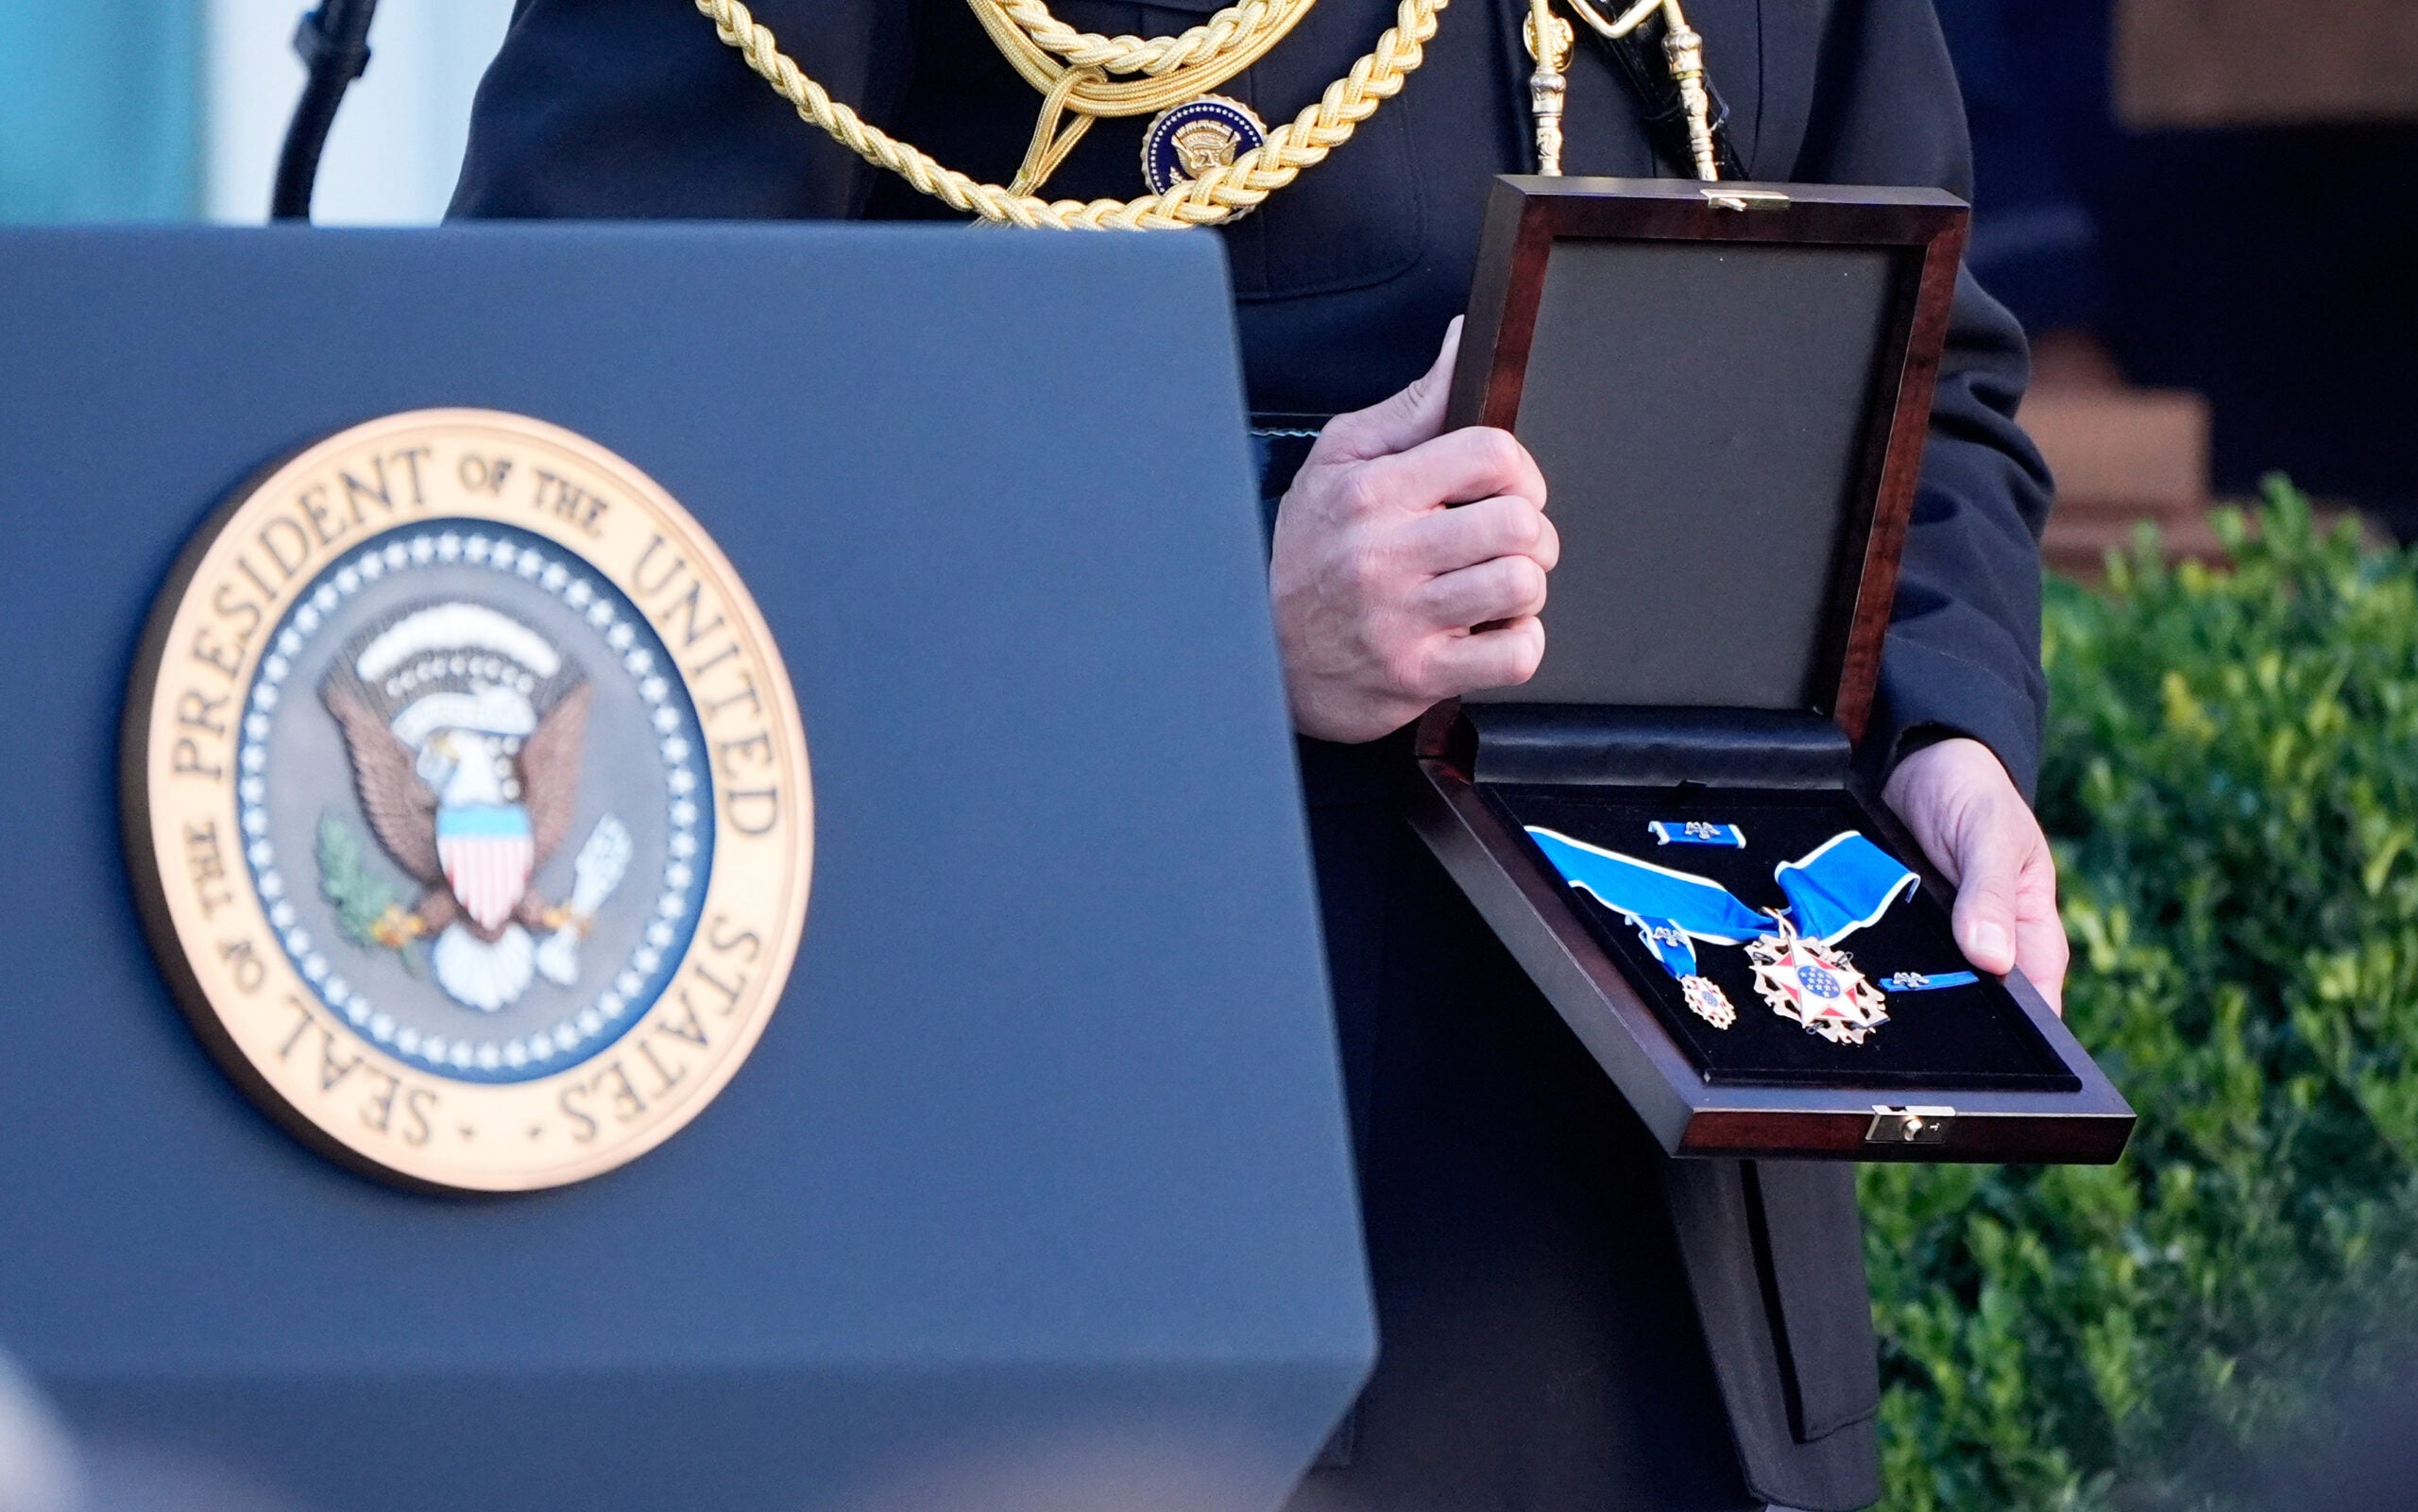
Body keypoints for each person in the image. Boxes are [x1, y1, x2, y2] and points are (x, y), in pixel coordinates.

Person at [451, 3, 2068, 1506]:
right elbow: (572, 439)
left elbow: (1926, 373)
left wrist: (1947, 726)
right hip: (1142, 1294)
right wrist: (1204, 597)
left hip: (1695, 1321)